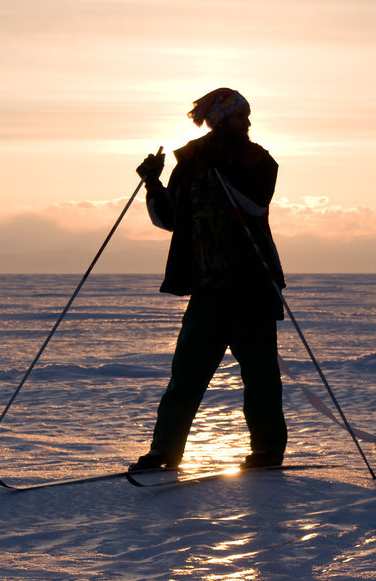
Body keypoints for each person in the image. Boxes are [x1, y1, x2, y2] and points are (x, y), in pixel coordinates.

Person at [129, 87, 287, 472]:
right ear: (220, 120)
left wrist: (222, 167)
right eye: (239, 115)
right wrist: (153, 182)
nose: (247, 122)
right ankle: (164, 452)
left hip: (252, 288)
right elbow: (170, 219)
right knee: (185, 376)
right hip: (208, 290)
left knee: (261, 378)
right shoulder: (193, 160)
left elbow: (254, 204)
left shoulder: (257, 160)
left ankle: (267, 451)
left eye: (246, 115)